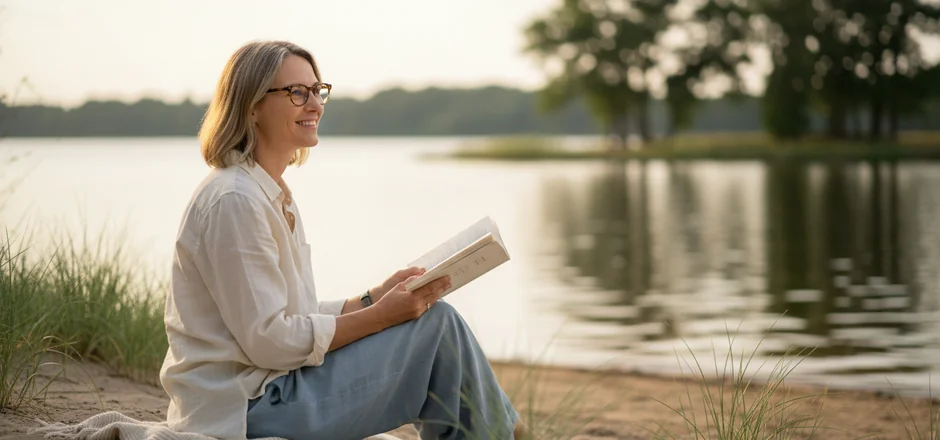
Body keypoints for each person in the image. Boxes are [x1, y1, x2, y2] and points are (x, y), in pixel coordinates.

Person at [158, 40, 525, 440]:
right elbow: (269, 341)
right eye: (297, 92)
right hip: (247, 407)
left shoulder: (270, 195)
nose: (314, 104)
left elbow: (292, 314)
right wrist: (382, 316)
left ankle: (500, 429)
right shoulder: (235, 200)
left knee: (437, 326)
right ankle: (507, 429)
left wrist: (372, 297)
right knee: (436, 330)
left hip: (272, 390)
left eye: (318, 90)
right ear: (252, 106)